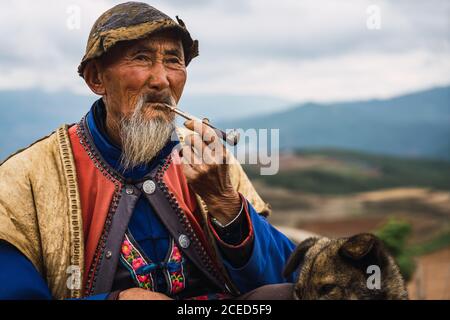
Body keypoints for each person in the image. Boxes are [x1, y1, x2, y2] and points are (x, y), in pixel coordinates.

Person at [0, 2, 296, 300]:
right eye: (141, 58)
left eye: (173, 61)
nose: (161, 80)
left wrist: (226, 204)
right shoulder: (24, 180)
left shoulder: (209, 161)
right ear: (96, 79)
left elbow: (292, 274)